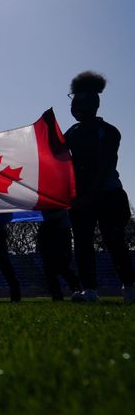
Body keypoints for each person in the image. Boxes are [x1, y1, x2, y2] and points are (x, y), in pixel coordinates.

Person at [64, 71, 135, 303]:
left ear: (92, 104)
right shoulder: (72, 133)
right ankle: (90, 290)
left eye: (76, 102)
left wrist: (87, 195)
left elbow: (104, 167)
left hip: (107, 194)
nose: (73, 108)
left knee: (114, 240)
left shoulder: (109, 132)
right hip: (82, 197)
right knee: (83, 243)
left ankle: (130, 286)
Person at [36, 209, 79, 300]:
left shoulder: (62, 222)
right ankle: (60, 292)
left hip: (59, 230)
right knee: (51, 267)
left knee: (60, 266)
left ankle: (72, 290)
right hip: (52, 230)